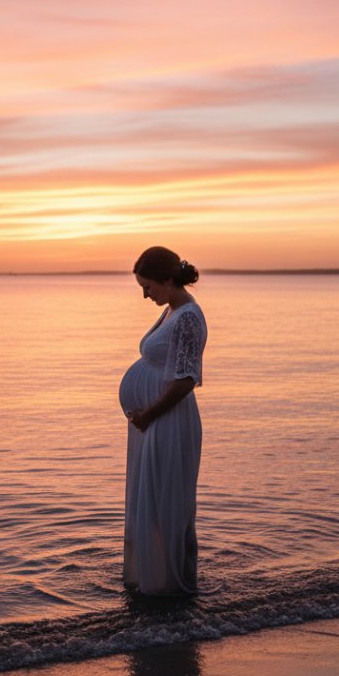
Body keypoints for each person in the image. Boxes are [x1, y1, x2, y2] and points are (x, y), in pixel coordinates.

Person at [119, 246, 207, 595]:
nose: (145, 294)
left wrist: (150, 413)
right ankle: (153, 580)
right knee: (150, 501)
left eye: (148, 287)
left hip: (168, 421)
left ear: (169, 280)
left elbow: (186, 379)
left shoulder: (187, 316)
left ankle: (170, 590)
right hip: (152, 421)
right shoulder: (171, 311)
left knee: (165, 505)